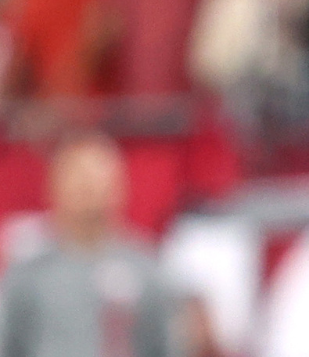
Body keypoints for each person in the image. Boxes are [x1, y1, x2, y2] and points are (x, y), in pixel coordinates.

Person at [0, 132, 180, 357]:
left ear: (121, 185)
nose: (88, 187)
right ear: (53, 185)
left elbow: (166, 347)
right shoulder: (29, 272)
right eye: (77, 177)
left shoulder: (146, 268)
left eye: (97, 177)